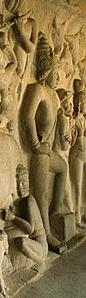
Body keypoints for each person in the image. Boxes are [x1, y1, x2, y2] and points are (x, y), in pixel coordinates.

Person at [19, 33, 67, 253]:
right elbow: (27, 117)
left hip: (48, 150)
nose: (57, 78)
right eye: (55, 74)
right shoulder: (36, 90)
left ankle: (56, 210)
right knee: (41, 194)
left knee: (63, 168)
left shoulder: (54, 96)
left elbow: (57, 124)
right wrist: (36, 145)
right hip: (39, 151)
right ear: (46, 72)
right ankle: (45, 234)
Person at [4, 164, 48, 272]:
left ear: (28, 182)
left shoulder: (29, 201)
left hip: (40, 246)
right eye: (18, 184)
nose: (20, 187)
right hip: (34, 243)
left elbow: (29, 229)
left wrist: (13, 218)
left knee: (22, 242)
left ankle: (40, 262)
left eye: (24, 183)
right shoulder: (23, 201)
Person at [69, 79, 86, 226]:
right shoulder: (74, 120)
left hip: (83, 152)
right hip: (77, 154)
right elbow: (71, 140)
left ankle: (82, 211)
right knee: (77, 185)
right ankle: (76, 215)